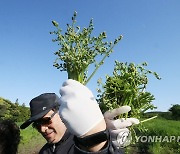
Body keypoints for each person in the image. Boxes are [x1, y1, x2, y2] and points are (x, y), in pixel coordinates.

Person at [20, 79, 139, 154]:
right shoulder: (44, 151)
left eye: (46, 120)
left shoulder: (79, 144)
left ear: (61, 112)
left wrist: (96, 142)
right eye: (37, 125)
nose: (42, 129)